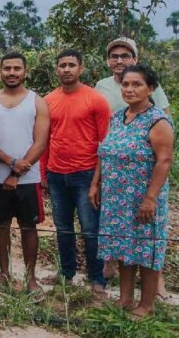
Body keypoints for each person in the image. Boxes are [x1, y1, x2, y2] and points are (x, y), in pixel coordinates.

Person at [89, 64, 173, 317]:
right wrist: (96, 183)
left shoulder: (157, 120)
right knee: (123, 248)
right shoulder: (118, 117)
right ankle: (125, 299)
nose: (129, 89)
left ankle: (146, 305)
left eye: (137, 84)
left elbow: (164, 161)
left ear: (151, 88)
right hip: (116, 197)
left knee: (146, 250)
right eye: (125, 84)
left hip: (142, 197)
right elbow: (104, 153)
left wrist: (150, 199)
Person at [42, 49, 110, 296]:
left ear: (81, 68)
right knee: (63, 228)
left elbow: (105, 143)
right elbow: (45, 139)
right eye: (62, 65)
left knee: (91, 229)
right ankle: (66, 273)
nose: (67, 69)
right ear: (56, 69)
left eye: (72, 65)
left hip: (86, 174)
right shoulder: (48, 100)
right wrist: (44, 174)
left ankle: (97, 278)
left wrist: (97, 181)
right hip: (57, 174)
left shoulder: (96, 100)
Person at [0, 52, 49, 297]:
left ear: (25, 71)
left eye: (17, 68)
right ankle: (4, 273)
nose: (12, 73)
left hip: (28, 179)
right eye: (7, 68)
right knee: (0, 226)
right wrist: (10, 162)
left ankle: (31, 278)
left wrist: (18, 171)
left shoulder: (37, 102)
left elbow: (40, 142)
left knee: (28, 227)